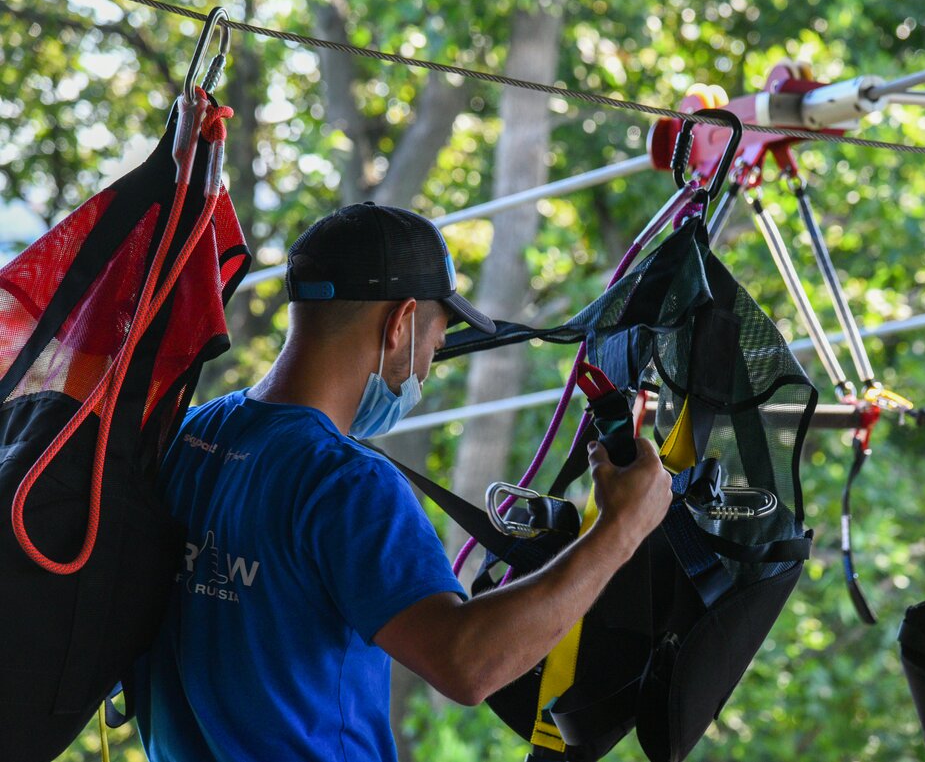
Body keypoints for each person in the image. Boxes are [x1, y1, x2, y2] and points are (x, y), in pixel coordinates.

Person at [133, 202, 674, 761]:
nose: (424, 372)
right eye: (434, 346)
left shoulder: (188, 436)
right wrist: (619, 531)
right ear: (399, 323)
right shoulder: (345, 483)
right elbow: (465, 663)